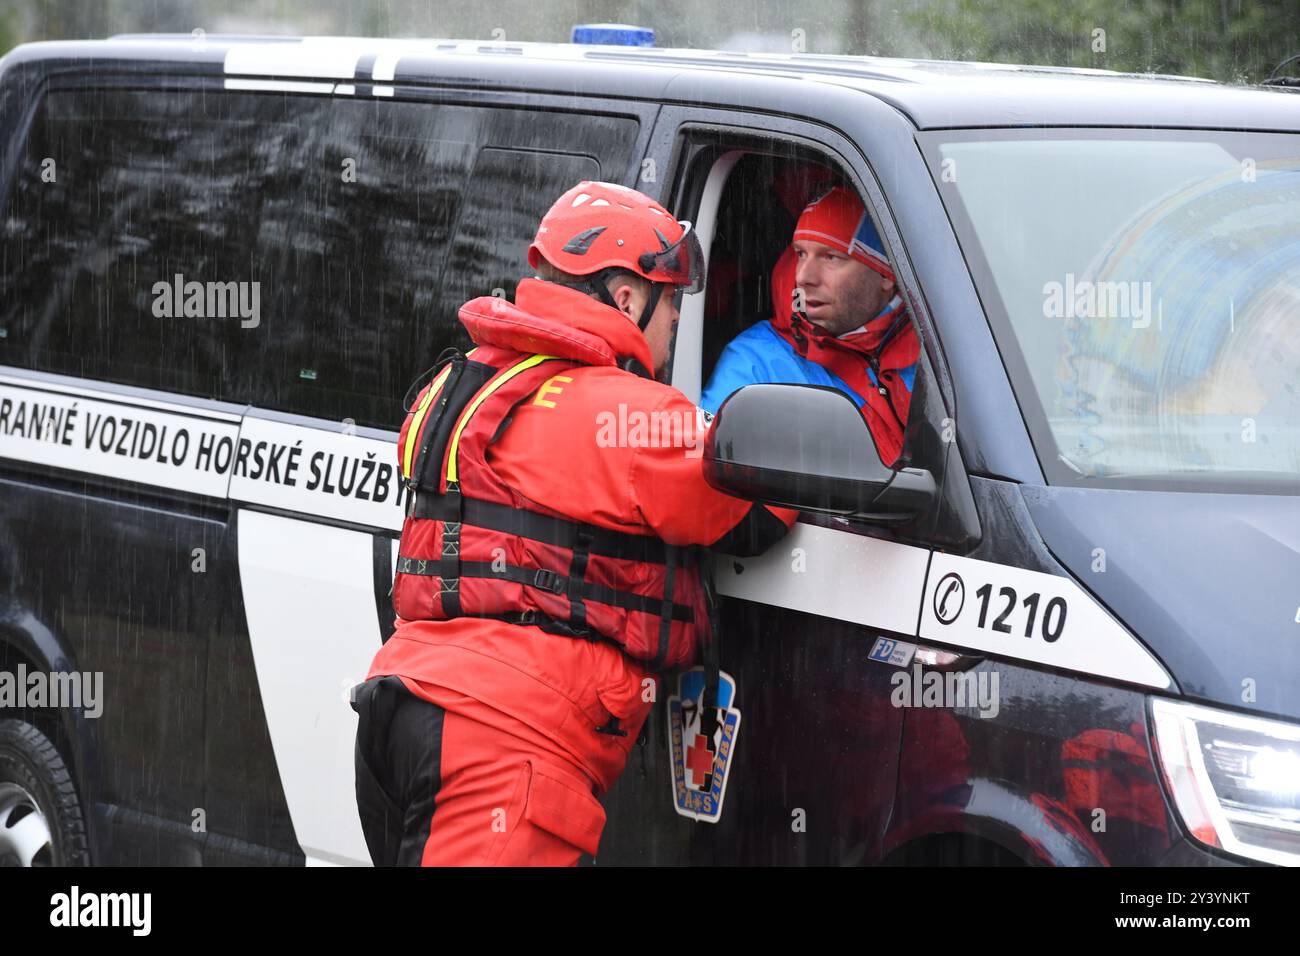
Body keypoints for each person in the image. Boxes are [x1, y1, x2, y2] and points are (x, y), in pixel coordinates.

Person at [351, 180, 798, 866]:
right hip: (500, 754)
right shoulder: (634, 418)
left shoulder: (454, 386)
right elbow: (756, 505)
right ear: (626, 297)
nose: (677, 319)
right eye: (670, 298)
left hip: (399, 710)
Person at [700, 185, 920, 465]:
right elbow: (714, 476)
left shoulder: (936, 348)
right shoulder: (755, 365)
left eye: (830, 257)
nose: (803, 276)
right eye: (800, 253)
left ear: (886, 274)